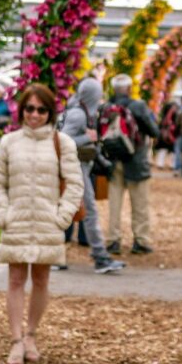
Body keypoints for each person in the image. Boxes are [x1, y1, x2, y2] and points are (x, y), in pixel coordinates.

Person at [0, 83, 83, 364]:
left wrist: (62, 217)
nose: (35, 114)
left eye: (42, 109)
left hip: (47, 223)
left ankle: (31, 335)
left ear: (50, 112)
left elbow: (75, 184)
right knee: (16, 280)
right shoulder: (9, 142)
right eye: (30, 108)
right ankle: (16, 340)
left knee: (41, 279)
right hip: (16, 222)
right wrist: (4, 213)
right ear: (22, 111)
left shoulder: (62, 143)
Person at [60, 77, 126, 274]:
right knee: (89, 211)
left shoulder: (82, 111)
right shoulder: (79, 115)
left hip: (80, 167)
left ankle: (55, 256)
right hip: (76, 168)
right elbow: (64, 138)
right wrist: (86, 138)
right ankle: (100, 257)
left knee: (73, 211)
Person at [103, 74, 159, 255]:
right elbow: (154, 131)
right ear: (129, 89)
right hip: (136, 161)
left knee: (114, 204)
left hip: (113, 160)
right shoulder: (138, 106)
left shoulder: (106, 107)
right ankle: (141, 241)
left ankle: (113, 240)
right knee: (140, 203)